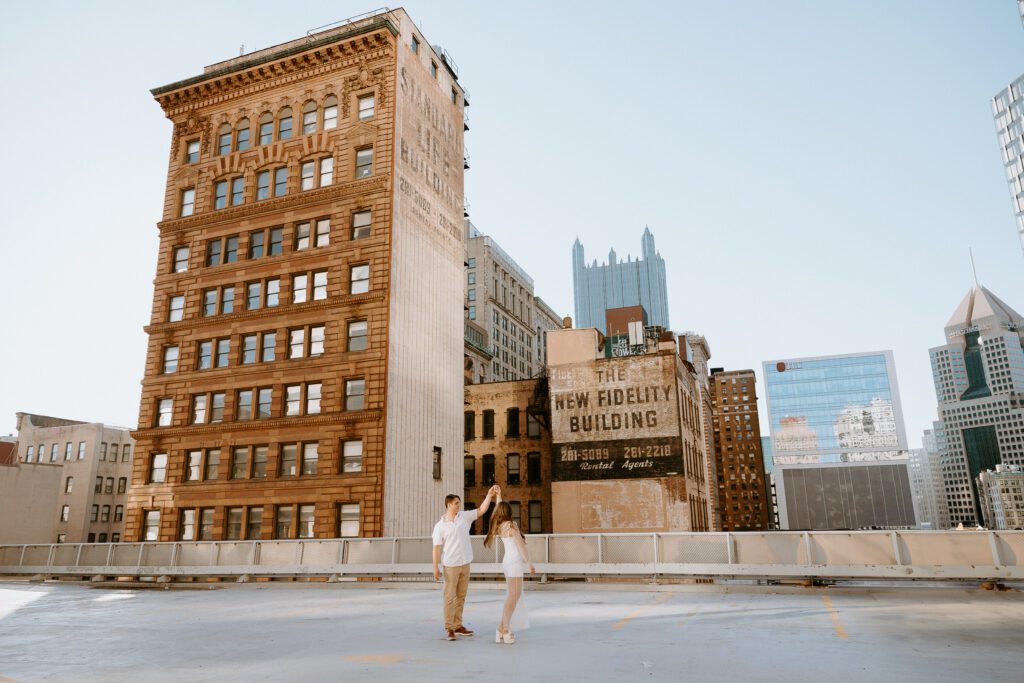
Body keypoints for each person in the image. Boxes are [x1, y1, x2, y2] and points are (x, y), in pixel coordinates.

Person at [432, 485, 499, 641]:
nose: (458, 505)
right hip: (450, 566)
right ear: (448, 505)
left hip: (465, 563)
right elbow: (436, 548)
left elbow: (481, 510)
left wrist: (489, 495)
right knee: (449, 597)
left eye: (459, 503)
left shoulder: (464, 517)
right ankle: (449, 628)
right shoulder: (440, 526)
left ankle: (458, 625)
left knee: (461, 596)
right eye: (456, 503)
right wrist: (435, 567)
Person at [483, 496, 535, 644]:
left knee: (513, 596)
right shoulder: (511, 526)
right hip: (514, 563)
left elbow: (499, 508)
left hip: (508, 562)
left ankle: (501, 628)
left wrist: (499, 496)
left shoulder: (500, 526)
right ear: (509, 512)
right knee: (513, 596)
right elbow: (521, 546)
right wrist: (530, 563)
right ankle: (505, 629)